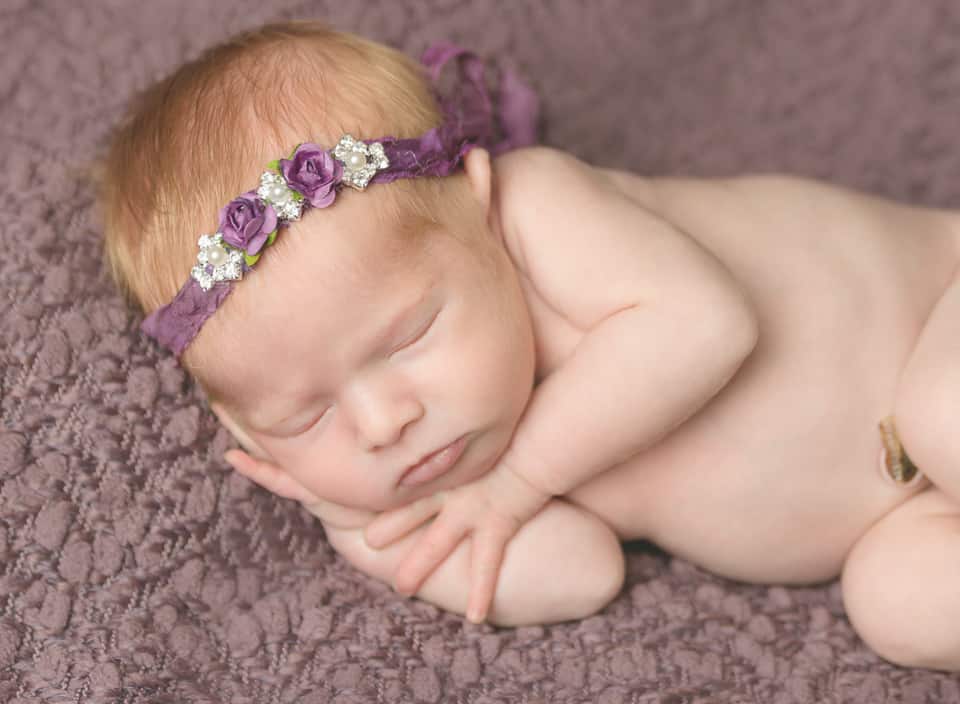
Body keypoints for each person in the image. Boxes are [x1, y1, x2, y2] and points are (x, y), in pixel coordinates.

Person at [95, 19, 960, 671]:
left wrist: (520, 479)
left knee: (942, 412)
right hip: (902, 514)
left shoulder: (535, 210)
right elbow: (579, 574)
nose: (383, 421)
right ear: (243, 429)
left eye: (408, 336)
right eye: (304, 414)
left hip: (941, 312)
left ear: (477, 202)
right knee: (898, 604)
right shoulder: (446, 466)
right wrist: (362, 523)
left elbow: (706, 324)